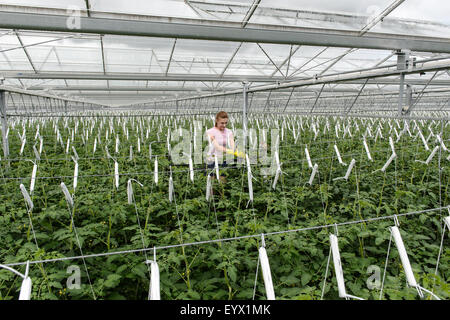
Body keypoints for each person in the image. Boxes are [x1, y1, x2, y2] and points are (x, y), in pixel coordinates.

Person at [206, 111, 235, 178]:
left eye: (226, 123)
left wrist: (233, 150)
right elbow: (217, 146)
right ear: (216, 121)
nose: (224, 125)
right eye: (222, 123)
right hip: (212, 160)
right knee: (212, 181)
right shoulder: (209, 132)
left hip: (224, 160)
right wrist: (229, 151)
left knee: (223, 180)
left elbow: (232, 142)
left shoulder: (229, 132)